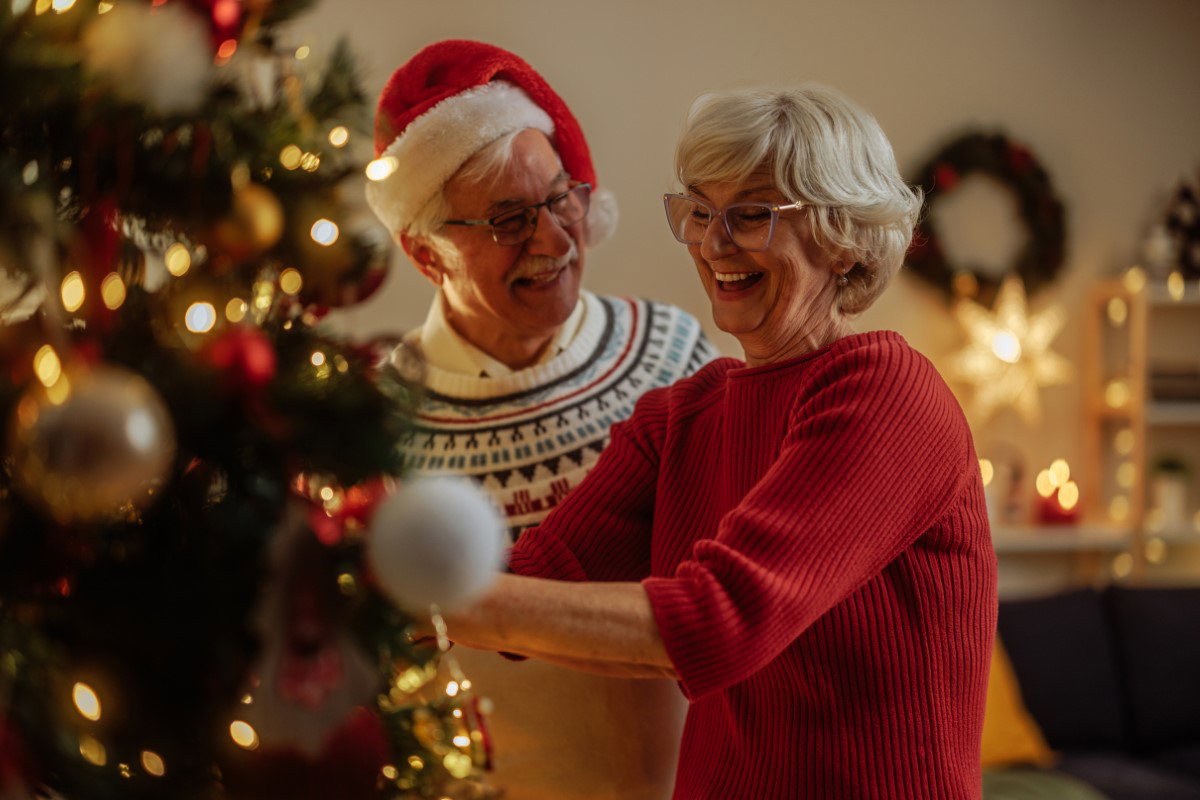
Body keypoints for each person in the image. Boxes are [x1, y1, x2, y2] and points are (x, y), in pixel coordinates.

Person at [440, 85, 999, 799]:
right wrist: (361, 572)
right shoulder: (680, 418)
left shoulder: (885, 391)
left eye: (752, 214)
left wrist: (452, 603)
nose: (712, 242)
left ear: (845, 237)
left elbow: (721, 619)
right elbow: (533, 588)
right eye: (699, 212)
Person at [364, 41, 715, 800]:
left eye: (561, 198)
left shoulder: (673, 358)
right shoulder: (369, 420)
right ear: (427, 256)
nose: (555, 239)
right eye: (508, 220)